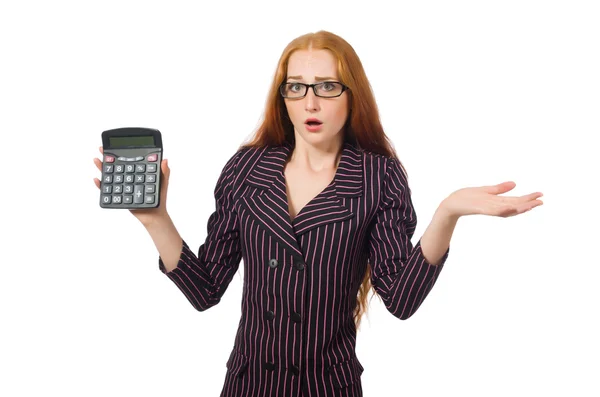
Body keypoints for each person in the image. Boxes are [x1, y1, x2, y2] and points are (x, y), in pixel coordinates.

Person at [93, 30, 543, 397]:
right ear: (283, 97)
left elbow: (401, 301)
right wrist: (154, 218)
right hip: (250, 386)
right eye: (297, 87)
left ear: (351, 96)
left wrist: (447, 213)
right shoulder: (246, 168)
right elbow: (205, 288)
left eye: (327, 87)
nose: (311, 103)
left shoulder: (377, 177)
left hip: (329, 386)